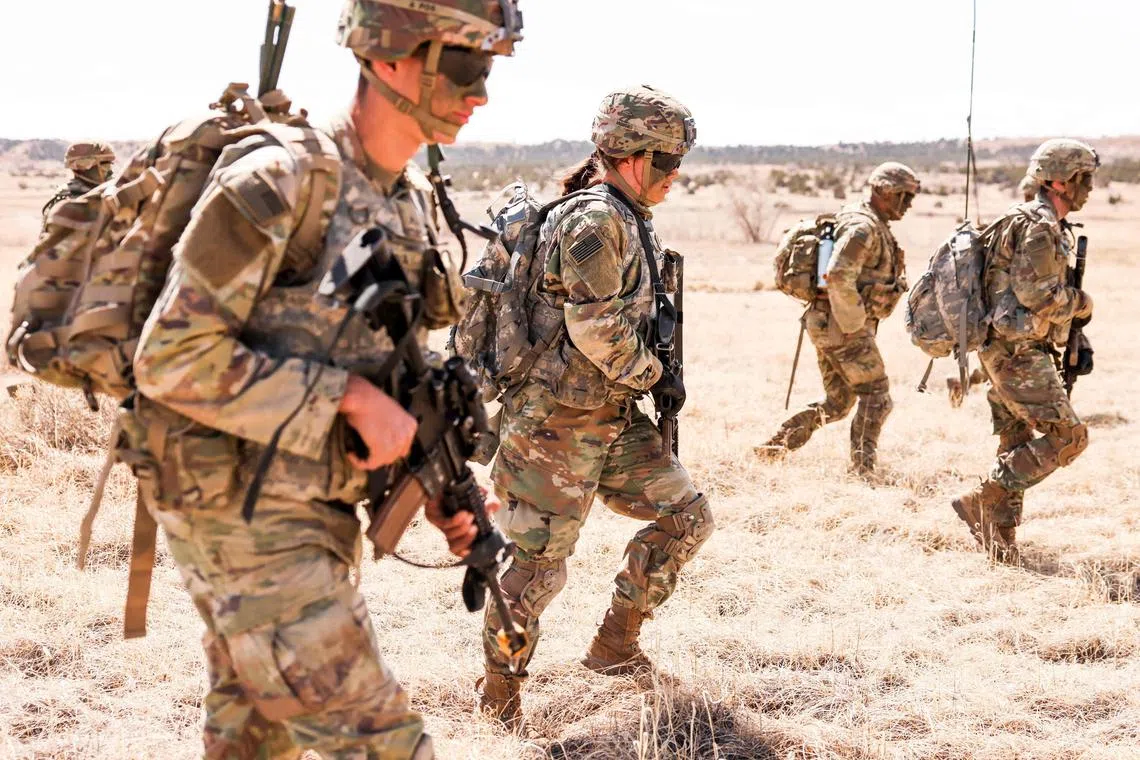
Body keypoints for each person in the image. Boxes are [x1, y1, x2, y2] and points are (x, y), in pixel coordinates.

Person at [129, 1, 522, 757]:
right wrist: (342, 399)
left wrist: (437, 477)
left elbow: (383, 367)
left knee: (254, 739)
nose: (481, 94)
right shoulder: (279, 180)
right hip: (239, 515)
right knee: (384, 743)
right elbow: (169, 357)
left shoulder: (404, 202)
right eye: (468, 66)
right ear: (389, 56)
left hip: (315, 513)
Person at [476, 85, 712, 729]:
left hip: (608, 418)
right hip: (552, 427)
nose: (674, 178)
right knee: (536, 568)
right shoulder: (594, 220)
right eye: (667, 164)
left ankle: (614, 646)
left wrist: (652, 381)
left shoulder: (631, 216)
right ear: (633, 156)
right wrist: (654, 373)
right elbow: (597, 328)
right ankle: (500, 693)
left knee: (687, 517)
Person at [951, 139, 1098, 562]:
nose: (1088, 187)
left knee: (1015, 439)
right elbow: (1038, 294)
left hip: (1004, 349)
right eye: (1082, 178)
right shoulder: (1039, 226)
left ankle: (1000, 543)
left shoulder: (1030, 220)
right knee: (1070, 438)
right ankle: (982, 498)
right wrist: (1082, 303)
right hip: (1018, 353)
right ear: (1058, 181)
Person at [756, 162, 921, 476]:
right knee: (878, 397)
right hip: (842, 326)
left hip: (828, 323)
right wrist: (855, 326)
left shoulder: (863, 220)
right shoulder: (863, 227)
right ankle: (863, 470)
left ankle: (774, 447)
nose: (908, 205)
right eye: (903, 196)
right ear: (884, 191)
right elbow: (838, 275)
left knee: (838, 402)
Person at [41, 141, 115, 220]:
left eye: (110, 165)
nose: (110, 171)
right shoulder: (69, 198)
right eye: (105, 165)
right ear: (84, 167)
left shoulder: (106, 192)